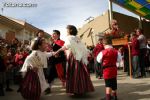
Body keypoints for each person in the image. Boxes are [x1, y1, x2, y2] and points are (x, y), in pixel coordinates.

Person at [55, 25, 94, 95]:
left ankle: (75, 90)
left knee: (73, 72)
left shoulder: (69, 38)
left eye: (67, 30)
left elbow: (66, 46)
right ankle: (82, 89)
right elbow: (83, 48)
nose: (66, 31)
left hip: (73, 56)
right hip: (79, 57)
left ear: (70, 30)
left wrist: (57, 51)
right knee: (80, 72)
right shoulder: (77, 38)